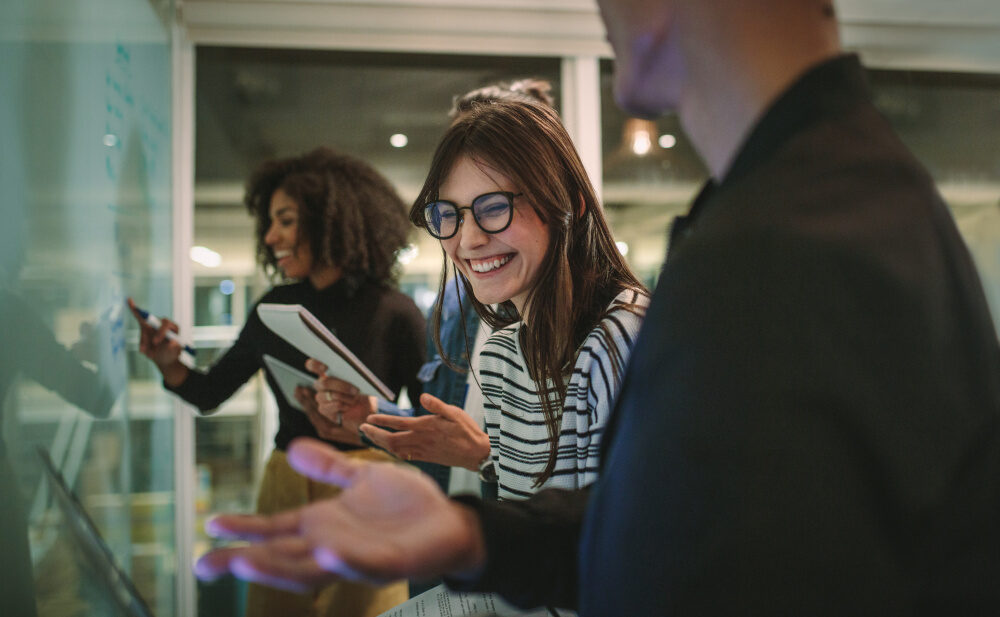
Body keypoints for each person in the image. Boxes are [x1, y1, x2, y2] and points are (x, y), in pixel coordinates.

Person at [194, 0, 1000, 614]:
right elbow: (662, 527)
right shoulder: (826, 202)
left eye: (495, 208)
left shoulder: (789, 244)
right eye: (449, 216)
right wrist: (472, 527)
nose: (606, 18)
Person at [133, 146, 424, 617]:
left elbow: (429, 424)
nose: (270, 237)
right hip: (285, 485)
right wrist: (169, 363)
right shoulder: (272, 309)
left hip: (367, 489)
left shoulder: (395, 313)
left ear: (330, 220)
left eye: (285, 221)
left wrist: (374, 421)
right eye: (270, 223)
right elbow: (210, 392)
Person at [313, 78, 560, 503]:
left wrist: (485, 459)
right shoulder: (455, 306)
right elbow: (449, 438)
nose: (471, 237)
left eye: (494, 200)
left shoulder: (596, 332)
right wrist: (372, 414)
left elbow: (586, 499)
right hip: (451, 552)